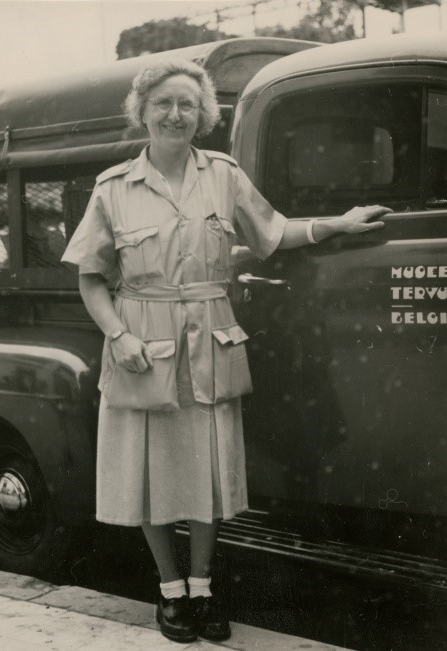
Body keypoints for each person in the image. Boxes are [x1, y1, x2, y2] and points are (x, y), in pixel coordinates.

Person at [61, 58, 390, 644]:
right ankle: (170, 591)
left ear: (204, 114)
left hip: (210, 342)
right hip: (143, 344)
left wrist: (337, 224)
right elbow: (90, 277)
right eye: (163, 103)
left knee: (206, 473)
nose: (176, 114)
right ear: (142, 111)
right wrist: (119, 335)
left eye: (188, 104)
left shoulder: (223, 175)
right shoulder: (113, 188)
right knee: (147, 473)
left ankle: (203, 587)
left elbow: (273, 232)